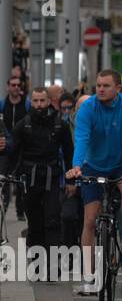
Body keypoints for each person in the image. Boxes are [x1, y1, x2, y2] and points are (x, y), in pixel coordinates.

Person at [67, 70, 122, 294]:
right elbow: (81, 138)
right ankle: (90, 277)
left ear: (118, 88)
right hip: (93, 165)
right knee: (90, 221)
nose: (100, 89)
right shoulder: (88, 108)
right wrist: (76, 167)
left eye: (106, 86)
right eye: (98, 85)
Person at [9, 86, 73, 250]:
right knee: (35, 223)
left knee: (52, 221)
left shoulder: (60, 125)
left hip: (52, 179)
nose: (38, 104)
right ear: (31, 102)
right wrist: (8, 176)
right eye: (35, 101)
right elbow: (12, 154)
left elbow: (69, 153)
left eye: (42, 101)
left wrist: (71, 180)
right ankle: (37, 266)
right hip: (29, 180)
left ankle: (52, 266)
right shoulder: (23, 126)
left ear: (49, 102)